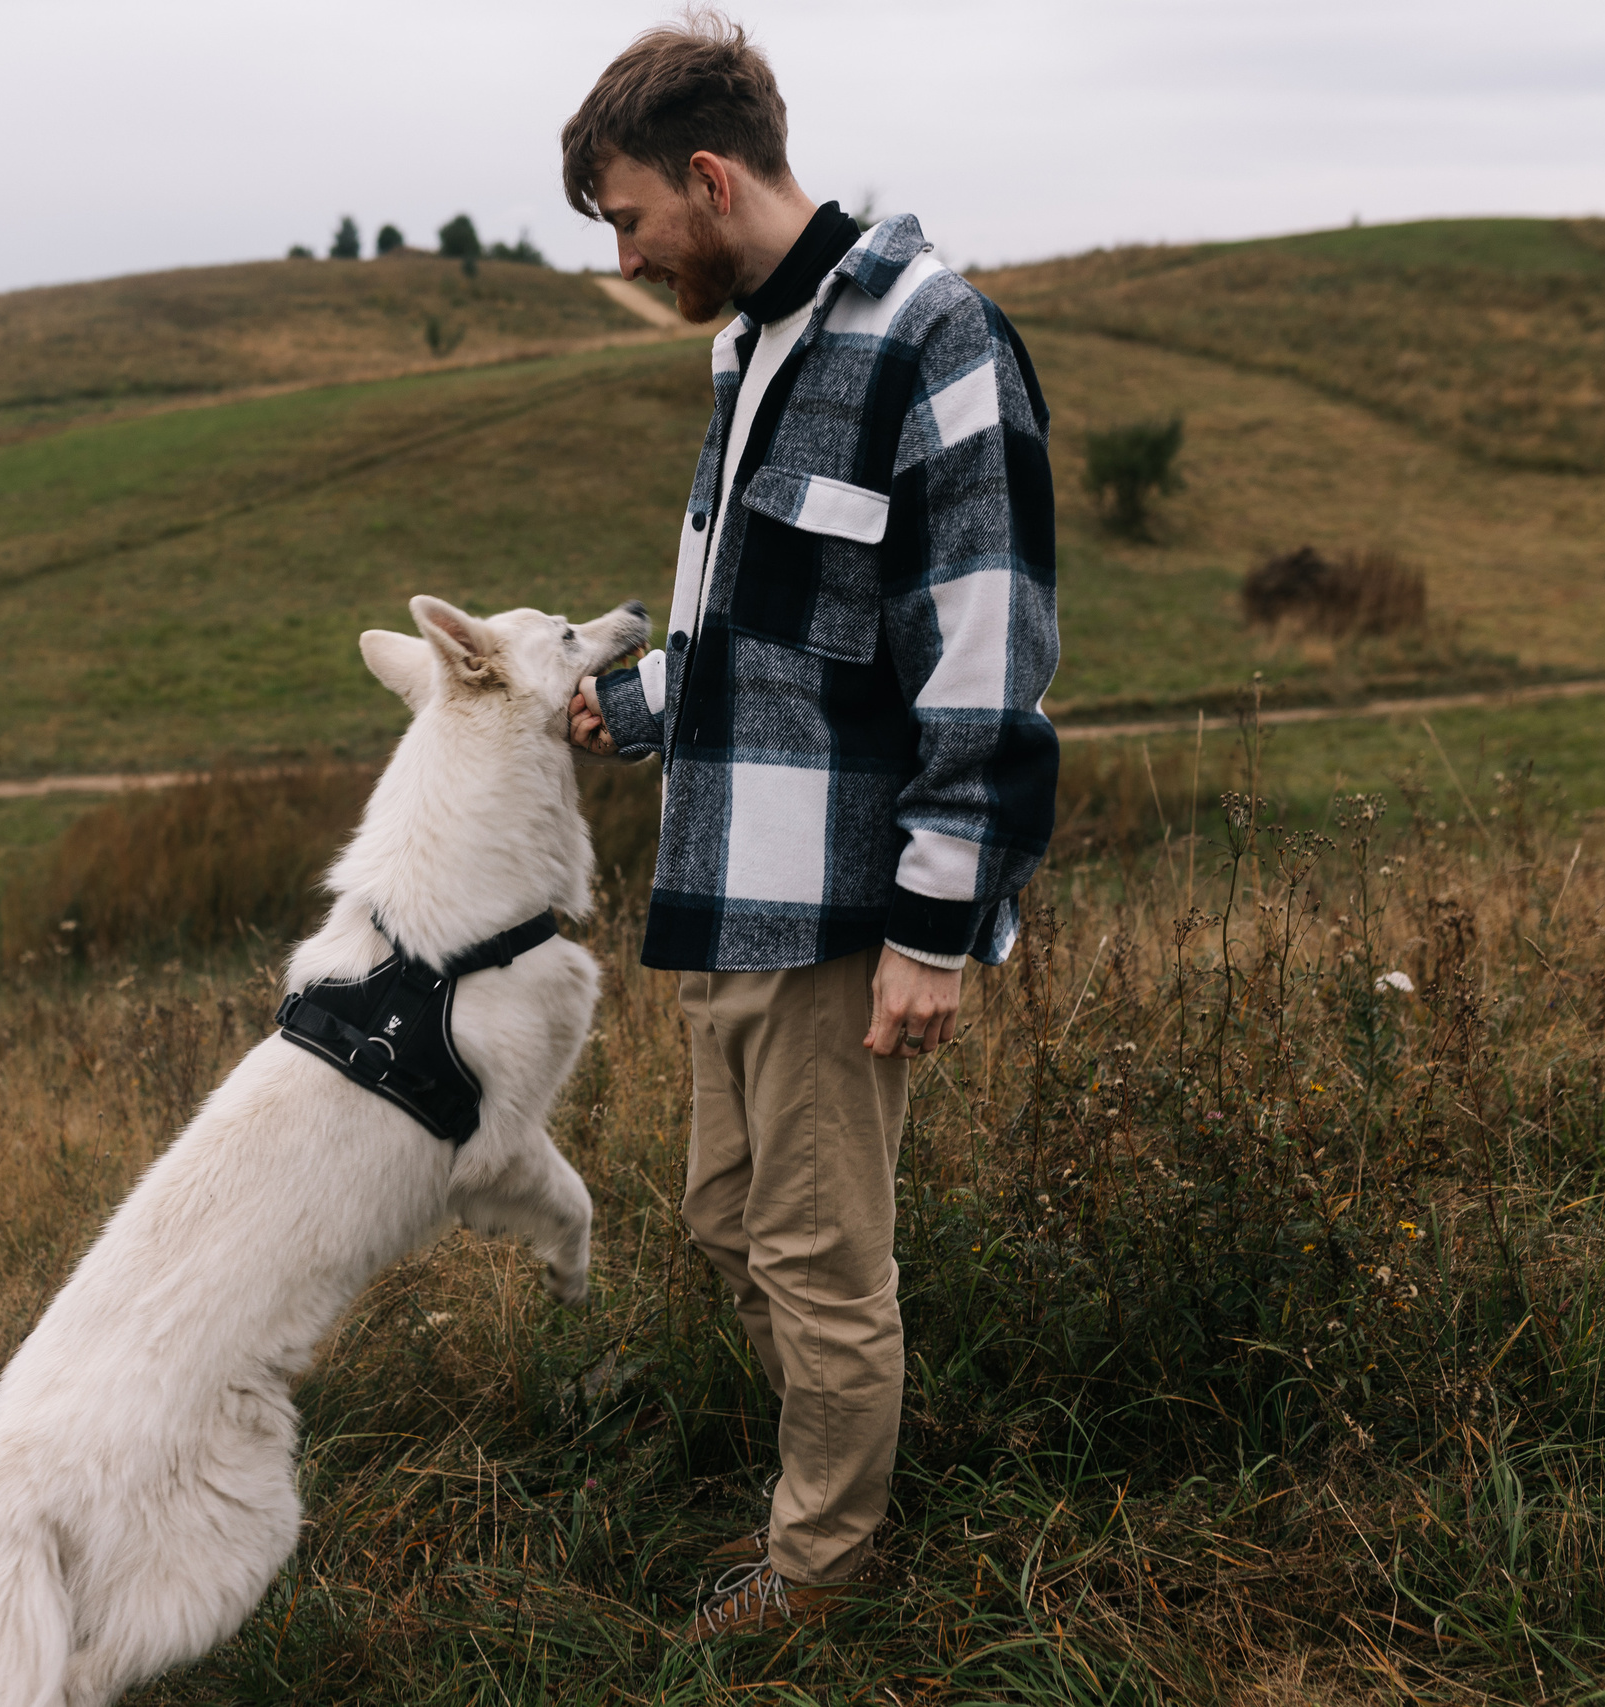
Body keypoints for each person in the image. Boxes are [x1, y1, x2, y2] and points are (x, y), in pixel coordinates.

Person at [558, 13, 1061, 1637]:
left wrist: (936, 930)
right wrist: (633, 709)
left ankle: (821, 1576)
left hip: (847, 912)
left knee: (821, 1261)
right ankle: (851, 1443)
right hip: (724, 884)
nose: (627, 255)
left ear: (710, 178)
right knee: (730, 1223)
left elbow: (986, 650)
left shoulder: (935, 338)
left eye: (630, 219)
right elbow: (755, 624)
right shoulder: (751, 344)